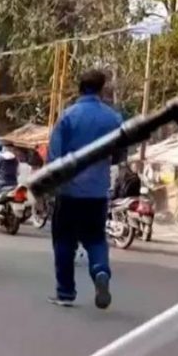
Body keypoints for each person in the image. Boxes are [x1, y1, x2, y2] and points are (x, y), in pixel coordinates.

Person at [46, 68, 123, 309]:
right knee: (96, 238)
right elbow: (120, 153)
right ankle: (100, 272)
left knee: (64, 241)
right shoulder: (113, 119)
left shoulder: (68, 116)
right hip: (97, 192)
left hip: (69, 192)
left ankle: (65, 292)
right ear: (101, 89)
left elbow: (54, 156)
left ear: (79, 88)